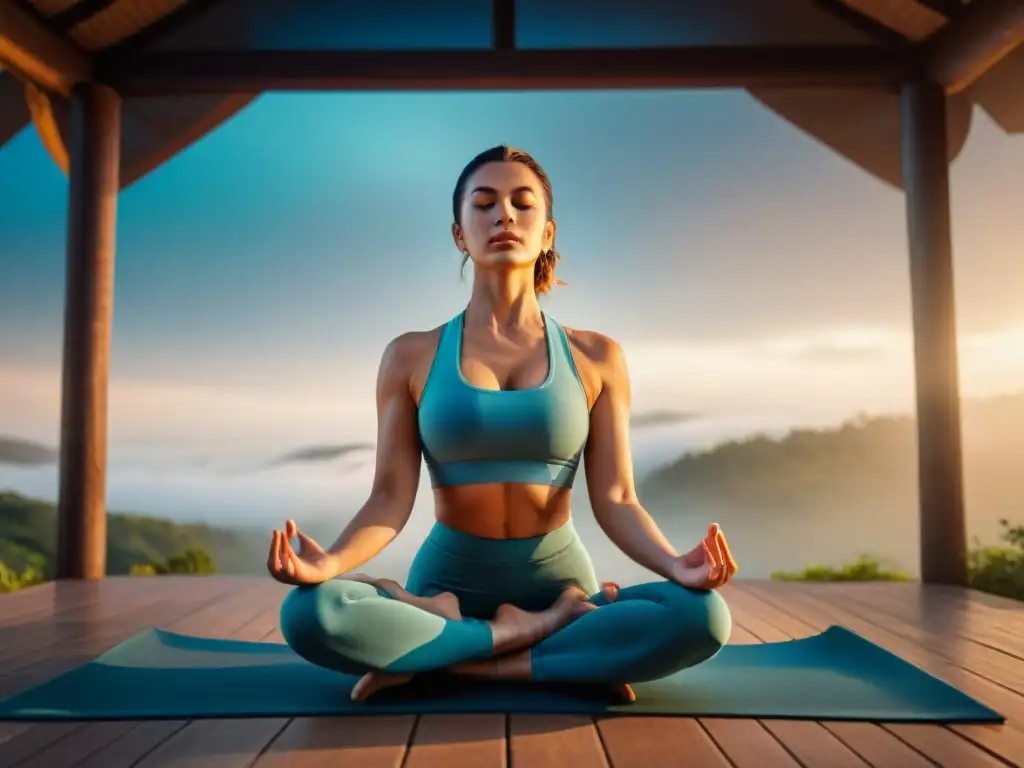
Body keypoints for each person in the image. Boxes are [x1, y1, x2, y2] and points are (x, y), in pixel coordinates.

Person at [267, 145, 738, 703]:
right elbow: (390, 496)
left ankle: (454, 659)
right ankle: (538, 640)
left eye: (522, 203)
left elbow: (616, 496)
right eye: (484, 204)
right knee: (309, 613)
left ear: (548, 231)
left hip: (560, 584)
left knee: (702, 617)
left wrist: (673, 564)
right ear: (460, 234)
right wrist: (332, 561)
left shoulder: (596, 356)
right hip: (447, 587)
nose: (504, 216)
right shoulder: (410, 356)